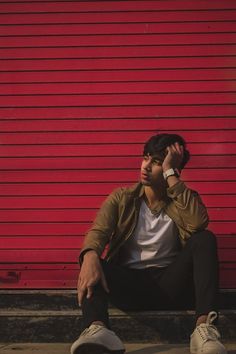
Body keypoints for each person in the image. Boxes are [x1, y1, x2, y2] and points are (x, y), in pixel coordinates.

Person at [71, 133, 227, 354]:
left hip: (171, 284)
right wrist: (89, 255)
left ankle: (205, 328)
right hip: (129, 285)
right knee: (92, 258)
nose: (145, 166)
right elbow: (98, 231)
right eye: (145, 158)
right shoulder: (122, 198)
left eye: (155, 162)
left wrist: (171, 173)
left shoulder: (183, 199)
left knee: (205, 238)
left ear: (170, 168)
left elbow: (198, 224)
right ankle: (99, 330)